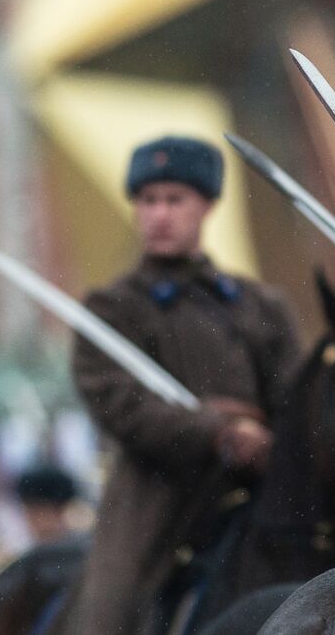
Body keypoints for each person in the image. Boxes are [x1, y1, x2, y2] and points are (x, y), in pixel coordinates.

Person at [63, 136, 301, 635]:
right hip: (156, 499)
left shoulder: (260, 306)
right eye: (148, 201)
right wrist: (219, 429)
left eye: (175, 200)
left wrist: (269, 439)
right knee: (109, 614)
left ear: (207, 205)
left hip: (257, 489)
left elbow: (294, 400)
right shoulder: (113, 307)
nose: (160, 215)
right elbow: (119, 405)